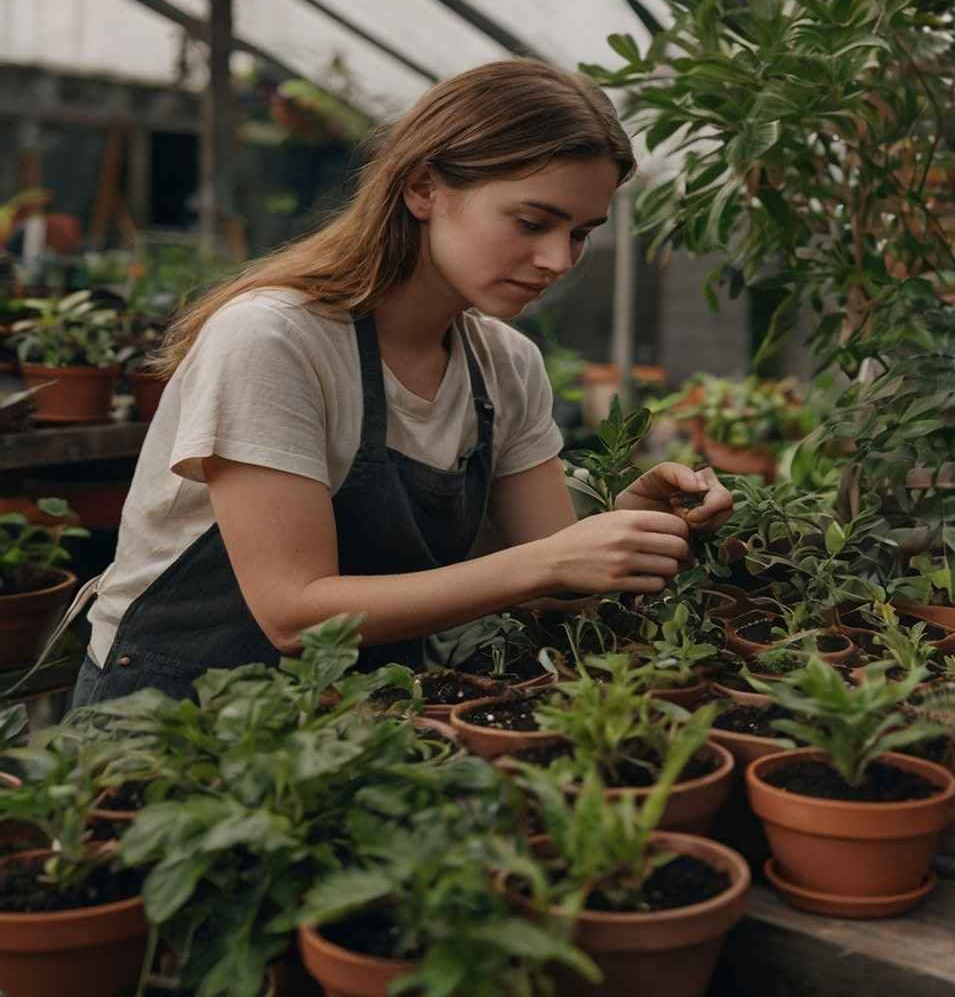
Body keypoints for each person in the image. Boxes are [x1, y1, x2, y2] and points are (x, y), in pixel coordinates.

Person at [70, 60, 733, 708]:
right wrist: (554, 561)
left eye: (581, 234)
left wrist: (630, 524)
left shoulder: (505, 365)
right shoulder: (274, 340)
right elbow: (293, 615)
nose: (557, 260)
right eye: (532, 222)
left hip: (361, 719)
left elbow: (547, 586)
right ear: (423, 188)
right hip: (174, 720)